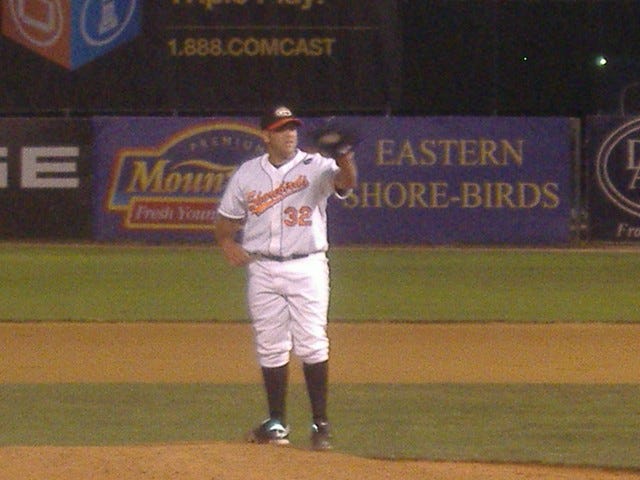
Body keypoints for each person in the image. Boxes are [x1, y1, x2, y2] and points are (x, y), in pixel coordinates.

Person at [213, 105, 357, 450]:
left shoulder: (316, 165)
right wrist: (225, 241)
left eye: (293, 127)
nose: (290, 133)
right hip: (262, 267)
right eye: (281, 129)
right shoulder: (248, 174)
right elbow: (226, 217)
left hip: (306, 265)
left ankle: (320, 425)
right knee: (270, 344)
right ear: (266, 135)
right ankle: (276, 423)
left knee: (311, 341)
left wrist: (344, 157)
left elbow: (345, 182)